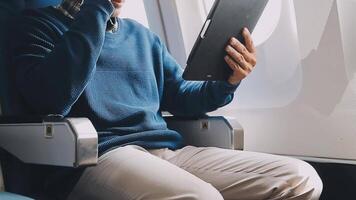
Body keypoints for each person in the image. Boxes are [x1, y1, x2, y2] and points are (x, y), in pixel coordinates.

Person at [11, 0, 323, 199]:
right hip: (96, 158)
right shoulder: (37, 25)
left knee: (300, 178)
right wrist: (97, 8)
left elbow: (183, 95)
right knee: (202, 198)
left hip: (165, 151)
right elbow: (51, 99)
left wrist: (229, 80)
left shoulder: (142, 36)